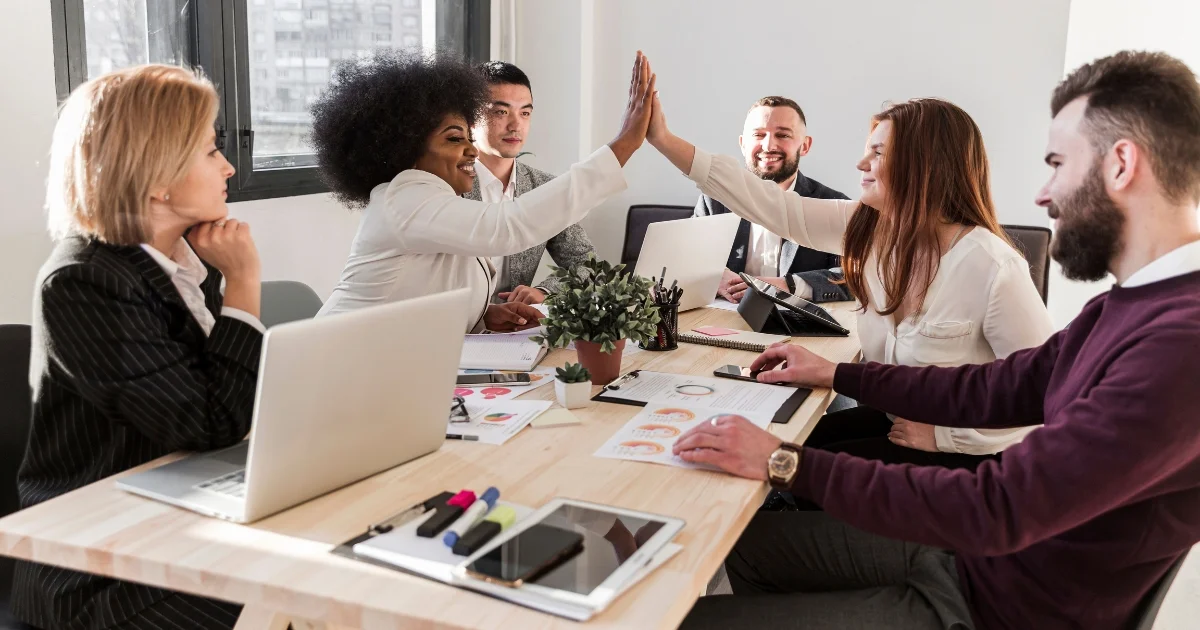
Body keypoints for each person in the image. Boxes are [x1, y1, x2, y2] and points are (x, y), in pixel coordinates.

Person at [670, 50, 1200, 630]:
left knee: (691, 620)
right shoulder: (1126, 307)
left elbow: (997, 507)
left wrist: (782, 460)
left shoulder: (1179, 348)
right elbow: (992, 387)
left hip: (995, 606)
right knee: (731, 547)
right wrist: (839, 374)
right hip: (971, 563)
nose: (1044, 196)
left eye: (1057, 164)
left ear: (1121, 164)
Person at [654, 94, 1054, 468]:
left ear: (924, 165)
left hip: (962, 457)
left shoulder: (993, 267)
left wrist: (949, 437)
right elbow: (771, 206)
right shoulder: (874, 231)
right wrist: (662, 139)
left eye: (877, 153)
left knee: (776, 475)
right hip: (893, 423)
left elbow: (1046, 393)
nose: (861, 164)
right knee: (772, 447)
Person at [13, 65, 263, 630]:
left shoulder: (185, 266)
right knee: (309, 598)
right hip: (104, 573)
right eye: (209, 152)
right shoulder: (83, 280)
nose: (227, 167)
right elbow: (211, 420)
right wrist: (245, 289)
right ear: (158, 177)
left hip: (184, 517)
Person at [314, 50, 654, 332]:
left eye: (466, 137)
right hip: (338, 361)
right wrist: (624, 144)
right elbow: (509, 227)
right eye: (453, 138)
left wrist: (480, 316)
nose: (471, 150)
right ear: (407, 146)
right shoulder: (403, 197)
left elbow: (427, 294)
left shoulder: (435, 199)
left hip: (389, 360)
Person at [464, 61, 598, 306]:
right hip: (452, 330)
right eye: (501, 112)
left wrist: (545, 292)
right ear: (471, 117)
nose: (516, 125)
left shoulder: (544, 187)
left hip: (516, 332)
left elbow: (588, 266)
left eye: (525, 113)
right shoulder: (444, 186)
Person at [696, 96, 852, 304]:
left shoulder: (834, 205)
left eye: (782, 135)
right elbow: (688, 259)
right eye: (759, 135)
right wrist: (716, 274)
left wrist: (789, 285)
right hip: (724, 323)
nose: (768, 145)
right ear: (743, 144)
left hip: (800, 330)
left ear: (804, 146)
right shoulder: (714, 200)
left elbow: (853, 278)